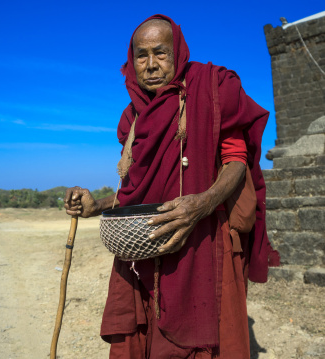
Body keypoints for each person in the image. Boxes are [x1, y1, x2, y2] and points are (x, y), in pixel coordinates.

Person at [64, 15, 279, 359]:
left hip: (202, 239)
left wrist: (204, 203)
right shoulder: (132, 117)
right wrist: (97, 205)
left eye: (160, 53)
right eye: (141, 55)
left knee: (205, 335)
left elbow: (236, 159)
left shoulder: (212, 88)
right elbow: (135, 192)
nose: (150, 65)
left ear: (177, 52)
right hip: (143, 249)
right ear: (130, 61)